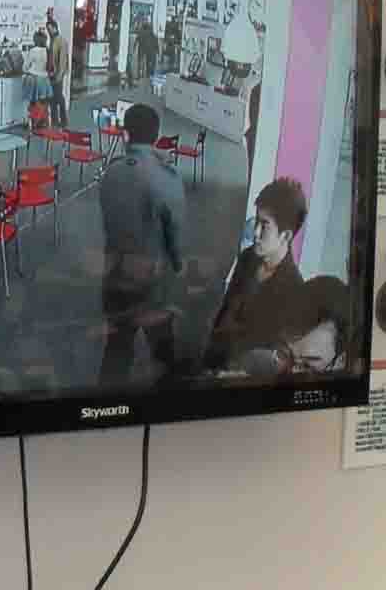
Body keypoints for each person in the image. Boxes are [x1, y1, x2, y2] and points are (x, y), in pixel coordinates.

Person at [98, 102, 185, 384]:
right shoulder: (167, 177)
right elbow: (174, 230)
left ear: (125, 135)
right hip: (152, 282)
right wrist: (177, 264)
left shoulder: (111, 173)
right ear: (157, 136)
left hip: (115, 278)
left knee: (117, 350)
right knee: (163, 353)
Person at [204, 177, 309, 371]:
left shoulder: (294, 290)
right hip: (213, 360)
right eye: (256, 222)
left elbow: (271, 360)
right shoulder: (247, 257)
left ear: (286, 236)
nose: (255, 232)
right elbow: (225, 311)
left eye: (264, 225)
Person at [46, 17, 69, 127]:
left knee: (59, 97)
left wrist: (59, 75)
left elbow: (63, 60)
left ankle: (63, 120)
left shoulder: (61, 41)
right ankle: (55, 120)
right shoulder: (52, 40)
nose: (49, 31)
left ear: (55, 28)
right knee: (52, 98)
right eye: (48, 29)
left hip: (57, 74)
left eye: (50, 29)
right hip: (51, 73)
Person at [135, 19, 159, 86]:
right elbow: (155, 41)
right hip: (149, 50)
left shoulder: (141, 33)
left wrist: (134, 48)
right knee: (148, 63)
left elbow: (137, 40)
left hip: (142, 49)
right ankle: (148, 74)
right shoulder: (152, 33)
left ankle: (140, 75)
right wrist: (157, 51)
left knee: (140, 62)